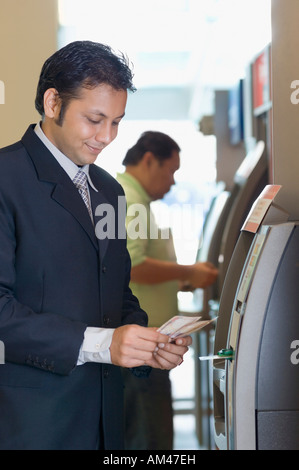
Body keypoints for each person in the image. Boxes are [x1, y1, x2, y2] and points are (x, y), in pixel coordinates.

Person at [0, 41, 192, 450]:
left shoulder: (108, 189)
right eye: (95, 119)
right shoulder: (5, 179)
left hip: (106, 418)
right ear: (53, 103)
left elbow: (115, 291)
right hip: (33, 423)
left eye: (117, 122)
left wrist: (146, 342)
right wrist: (105, 344)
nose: (107, 137)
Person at [117, 131, 218, 450]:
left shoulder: (132, 199)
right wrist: (190, 271)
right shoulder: (131, 201)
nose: (173, 182)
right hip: (144, 347)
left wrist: (183, 281)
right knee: (149, 438)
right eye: (171, 171)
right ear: (149, 160)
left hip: (148, 344)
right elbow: (132, 265)